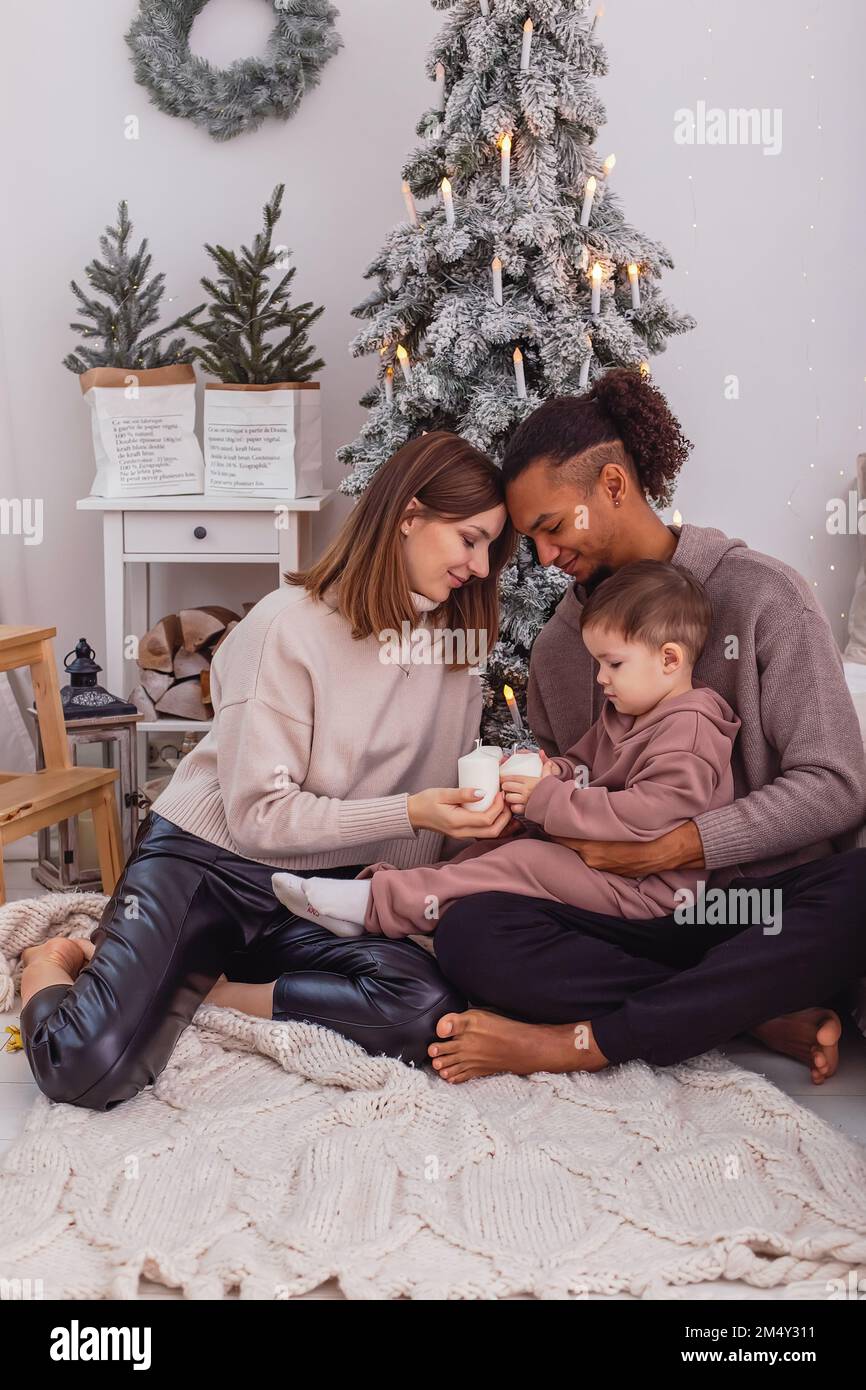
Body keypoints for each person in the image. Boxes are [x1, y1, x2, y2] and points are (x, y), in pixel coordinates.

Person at [17, 431, 517, 1111]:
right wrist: (414, 810)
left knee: (423, 1008)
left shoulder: (456, 660)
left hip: (323, 890)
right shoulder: (289, 626)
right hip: (210, 867)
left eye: (492, 548)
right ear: (410, 517)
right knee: (86, 1067)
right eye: (470, 539)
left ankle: (208, 990)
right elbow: (258, 818)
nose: (482, 567)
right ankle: (51, 961)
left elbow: (418, 834)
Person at [426, 367, 866, 1086]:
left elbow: (838, 785)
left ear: (613, 487)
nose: (542, 558)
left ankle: (585, 1040)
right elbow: (567, 801)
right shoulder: (561, 652)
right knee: (472, 932)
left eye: (552, 527)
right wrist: (516, 812)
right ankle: (741, 1008)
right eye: (530, 539)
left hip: (754, 906)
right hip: (634, 916)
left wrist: (678, 846)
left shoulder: (763, 596)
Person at [273, 561, 741, 935]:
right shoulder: (626, 713)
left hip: (647, 891)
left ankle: (377, 903)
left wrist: (549, 798)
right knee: (493, 851)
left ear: (670, 659)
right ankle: (378, 899)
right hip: (600, 864)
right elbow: (581, 767)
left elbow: (648, 816)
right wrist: (551, 773)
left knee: (525, 861)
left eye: (613, 663)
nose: (601, 678)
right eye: (599, 662)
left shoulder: (692, 730)